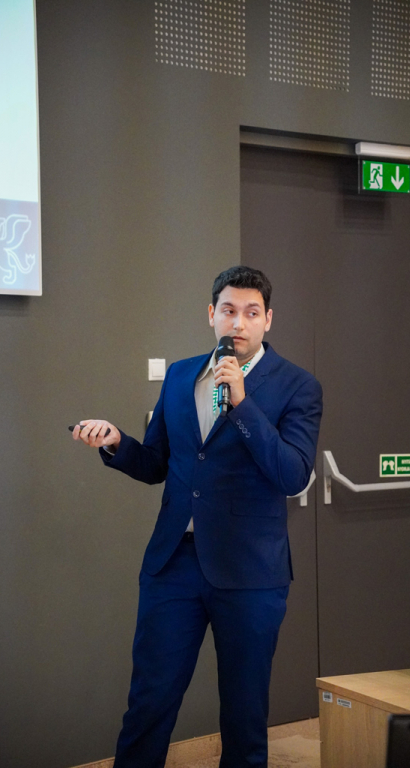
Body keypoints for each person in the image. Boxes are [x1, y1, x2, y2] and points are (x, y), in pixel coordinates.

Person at [72, 266, 323, 768]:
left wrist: (243, 404)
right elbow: (157, 464)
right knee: (148, 703)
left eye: (251, 313)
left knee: (244, 716)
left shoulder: (298, 386)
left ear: (268, 319)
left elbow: (292, 474)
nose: (238, 323)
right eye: (228, 310)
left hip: (250, 573)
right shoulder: (181, 374)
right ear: (212, 314)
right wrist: (118, 443)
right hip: (174, 566)